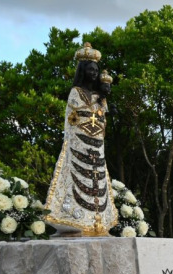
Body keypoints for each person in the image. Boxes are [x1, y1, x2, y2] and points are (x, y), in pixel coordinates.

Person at [44, 42, 118, 236]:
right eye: (90, 70)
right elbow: (73, 118)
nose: (93, 73)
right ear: (83, 71)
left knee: (98, 179)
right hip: (79, 141)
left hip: (97, 144)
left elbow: (102, 118)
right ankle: (75, 219)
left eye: (96, 70)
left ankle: (97, 221)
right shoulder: (76, 92)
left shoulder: (100, 95)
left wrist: (104, 99)